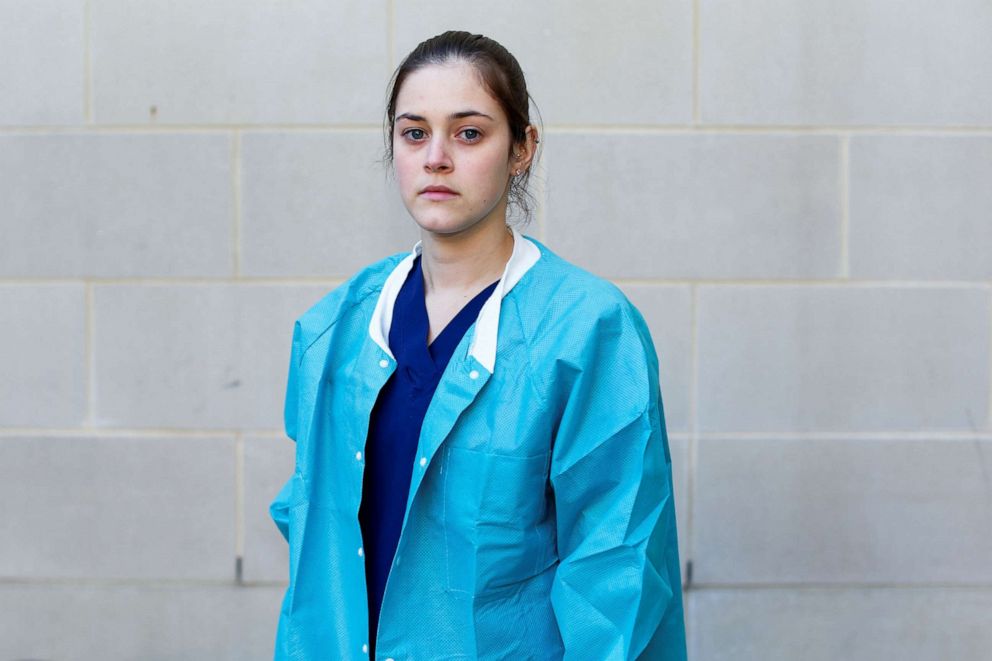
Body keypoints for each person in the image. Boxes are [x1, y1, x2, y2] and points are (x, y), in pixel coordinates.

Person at [270, 30, 686, 660]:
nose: (436, 157)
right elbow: (310, 524)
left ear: (522, 149)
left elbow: (618, 569)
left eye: (469, 133)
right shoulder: (340, 326)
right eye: (414, 133)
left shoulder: (588, 330)